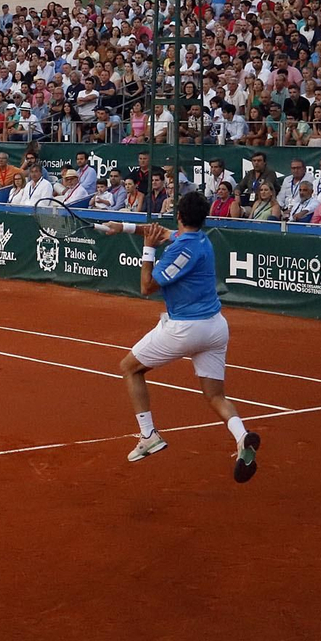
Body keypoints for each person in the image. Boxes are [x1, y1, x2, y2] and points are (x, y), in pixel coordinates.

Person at [102, 191, 260, 482]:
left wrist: (148, 249)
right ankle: (242, 438)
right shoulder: (202, 238)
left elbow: (147, 287)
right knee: (215, 395)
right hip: (216, 327)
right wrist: (122, 227)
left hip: (186, 329)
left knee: (130, 368)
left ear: (179, 215)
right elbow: (161, 232)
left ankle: (149, 435)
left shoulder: (180, 251)